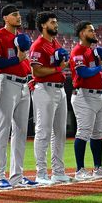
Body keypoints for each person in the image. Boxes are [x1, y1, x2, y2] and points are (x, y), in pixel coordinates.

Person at [0, 4, 36, 189]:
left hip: (24, 84)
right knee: (2, 129)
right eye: (15, 15)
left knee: (21, 132)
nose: (19, 17)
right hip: (7, 83)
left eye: (19, 14)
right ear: (5, 18)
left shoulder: (21, 39)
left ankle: (17, 176)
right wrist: (17, 59)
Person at [29, 12, 71, 184]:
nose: (56, 25)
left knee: (60, 133)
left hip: (59, 89)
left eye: (56, 22)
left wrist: (60, 67)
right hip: (44, 89)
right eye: (53, 22)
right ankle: (41, 173)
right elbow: (36, 71)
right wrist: (57, 69)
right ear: (43, 25)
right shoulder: (38, 45)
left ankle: (58, 171)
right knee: (43, 131)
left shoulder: (55, 43)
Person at [69, 21, 102, 179]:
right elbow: (83, 72)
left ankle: (98, 168)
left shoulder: (92, 51)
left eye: (94, 30)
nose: (94, 33)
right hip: (84, 95)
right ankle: (79, 170)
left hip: (97, 95)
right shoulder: (78, 51)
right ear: (82, 33)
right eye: (90, 31)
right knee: (83, 132)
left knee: (97, 134)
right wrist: (100, 68)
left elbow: (94, 72)